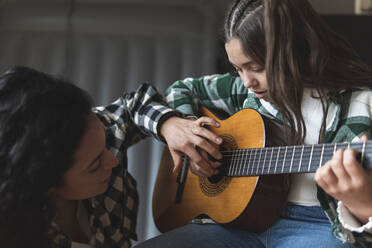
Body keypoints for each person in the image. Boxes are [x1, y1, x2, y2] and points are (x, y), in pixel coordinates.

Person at [135, 0, 372, 247]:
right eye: (238, 69)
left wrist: (365, 208)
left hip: (317, 226)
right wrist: (182, 127)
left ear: (296, 50)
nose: (247, 82)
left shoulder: (360, 103)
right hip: (237, 224)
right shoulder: (247, 91)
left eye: (256, 68)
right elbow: (181, 89)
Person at [0, 66, 222, 248]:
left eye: (105, 146)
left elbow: (133, 106)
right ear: (47, 185)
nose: (112, 161)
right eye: (95, 165)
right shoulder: (20, 234)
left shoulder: (89, 132)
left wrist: (169, 124)